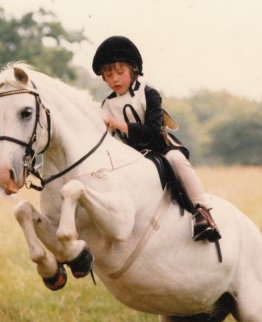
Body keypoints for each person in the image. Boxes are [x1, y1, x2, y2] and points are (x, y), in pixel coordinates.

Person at [92, 36, 221, 242]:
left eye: (120, 72)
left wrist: (120, 125)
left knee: (176, 160)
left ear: (133, 71)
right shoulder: (105, 105)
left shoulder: (149, 94)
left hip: (159, 147)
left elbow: (153, 130)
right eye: (108, 74)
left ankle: (202, 212)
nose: (114, 79)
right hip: (130, 156)